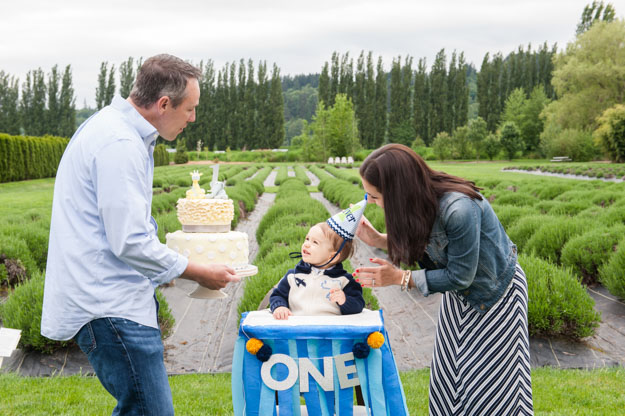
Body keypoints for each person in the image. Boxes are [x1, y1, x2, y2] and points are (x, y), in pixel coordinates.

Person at [41, 54, 239, 416]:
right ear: (164, 104)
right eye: (190, 109)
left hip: (110, 300)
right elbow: (130, 241)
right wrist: (195, 270)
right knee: (150, 411)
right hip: (109, 304)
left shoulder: (114, 130)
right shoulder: (120, 144)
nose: (193, 118)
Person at [353, 144, 533, 415]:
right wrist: (379, 239)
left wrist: (400, 278)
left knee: (489, 384)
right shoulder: (422, 201)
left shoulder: (459, 209)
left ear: (397, 192)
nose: (370, 202)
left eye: (374, 196)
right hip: (460, 296)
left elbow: (461, 274)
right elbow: (430, 243)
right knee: (449, 377)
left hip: (497, 296)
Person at [270, 202, 367, 319]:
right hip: (296, 329)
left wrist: (344, 300)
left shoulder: (344, 281)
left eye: (315, 242)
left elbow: (358, 305)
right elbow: (278, 295)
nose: (306, 245)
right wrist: (280, 306)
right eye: (307, 239)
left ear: (333, 256)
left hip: (328, 332)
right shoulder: (294, 275)